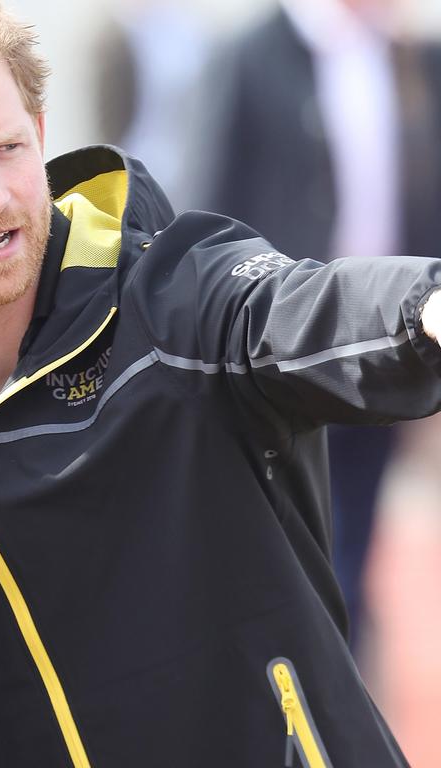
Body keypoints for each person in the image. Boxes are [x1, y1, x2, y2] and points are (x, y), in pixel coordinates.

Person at [0, 1, 441, 765]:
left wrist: (426, 310)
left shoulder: (174, 297)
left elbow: (300, 309)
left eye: (8, 149)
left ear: (40, 134)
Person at [192, 0, 441, 652]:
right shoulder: (252, 57)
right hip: (285, 354)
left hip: (391, 348)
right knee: (289, 547)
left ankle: (344, 704)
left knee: (355, 538)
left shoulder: (414, 58)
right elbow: (209, 216)